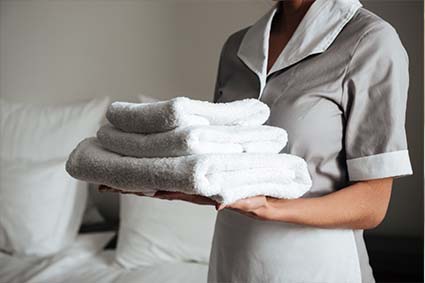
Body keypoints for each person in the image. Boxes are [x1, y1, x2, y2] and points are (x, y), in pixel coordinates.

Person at [133, 0, 413, 282]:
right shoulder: (238, 46)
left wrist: (269, 207)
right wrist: (185, 186)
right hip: (232, 259)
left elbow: (372, 205)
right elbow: (226, 167)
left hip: (318, 265)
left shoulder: (369, 40)